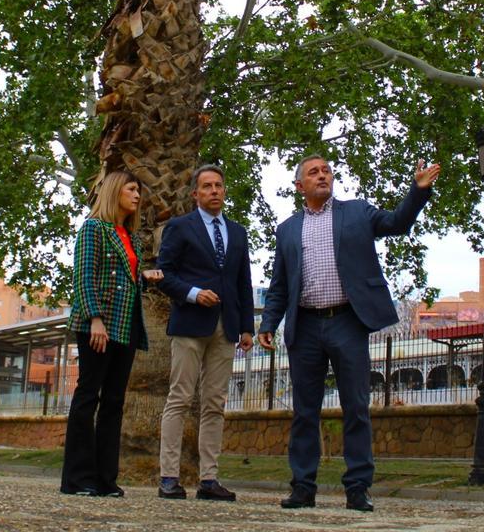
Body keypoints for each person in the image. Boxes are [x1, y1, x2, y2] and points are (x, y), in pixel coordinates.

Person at [257, 154, 440, 512]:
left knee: (355, 406)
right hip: (305, 325)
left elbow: (397, 223)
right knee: (304, 411)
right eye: (314, 172)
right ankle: (302, 487)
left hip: (347, 322)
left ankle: (357, 487)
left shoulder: (357, 212)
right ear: (299, 186)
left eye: (326, 170)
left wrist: (417, 192)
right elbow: (279, 285)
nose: (323, 175)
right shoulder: (287, 230)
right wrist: (268, 324)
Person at [60, 171, 163, 498]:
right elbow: (83, 277)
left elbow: (122, 280)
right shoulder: (93, 229)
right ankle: (76, 480)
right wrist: (94, 319)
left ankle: (106, 480)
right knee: (88, 395)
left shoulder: (128, 236)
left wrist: (143, 277)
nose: (137, 196)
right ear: (116, 191)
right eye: (132, 189)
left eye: (138, 191)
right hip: (99, 324)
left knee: (114, 402)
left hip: (127, 325)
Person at [156, 165, 254, 502]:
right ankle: (169, 476)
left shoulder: (238, 232)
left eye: (218, 186)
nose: (214, 191)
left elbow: (243, 282)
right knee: (180, 399)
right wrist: (194, 293)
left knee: (215, 403)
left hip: (226, 327)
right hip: (189, 322)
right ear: (195, 193)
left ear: (225, 191)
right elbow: (163, 274)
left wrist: (246, 327)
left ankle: (208, 480)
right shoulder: (180, 227)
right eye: (206, 186)